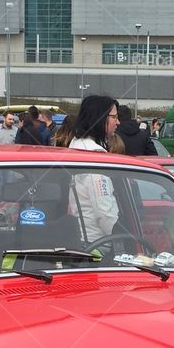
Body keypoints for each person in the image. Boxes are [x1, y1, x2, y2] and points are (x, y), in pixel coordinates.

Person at [67, 96, 121, 242]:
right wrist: (121, 240)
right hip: (98, 243)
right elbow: (104, 212)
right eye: (114, 117)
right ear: (100, 118)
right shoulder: (94, 156)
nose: (118, 122)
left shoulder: (76, 144)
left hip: (81, 237)